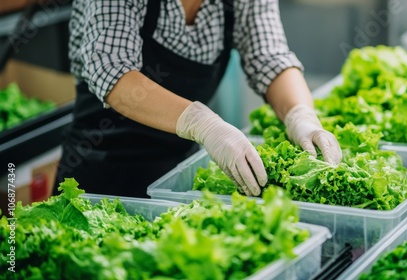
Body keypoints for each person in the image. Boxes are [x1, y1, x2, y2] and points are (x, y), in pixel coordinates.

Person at [54, 0, 342, 198]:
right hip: (100, 171)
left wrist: (300, 115)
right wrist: (202, 123)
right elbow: (113, 71)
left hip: (179, 175)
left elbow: (269, 57)